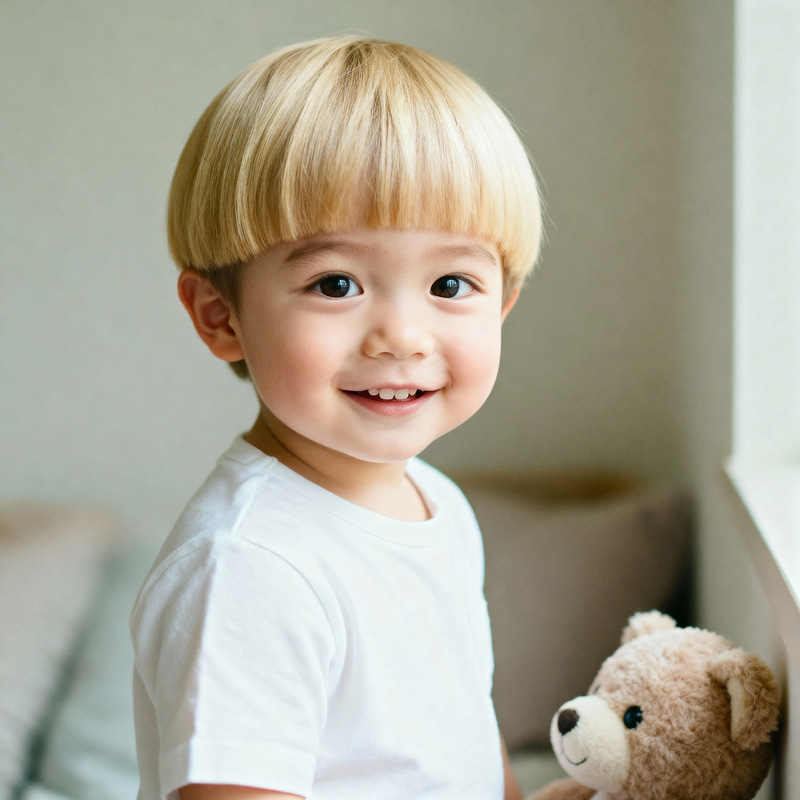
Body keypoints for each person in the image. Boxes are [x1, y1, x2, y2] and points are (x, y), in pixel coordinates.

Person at [130, 35, 542, 800]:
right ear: (222, 318)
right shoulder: (249, 566)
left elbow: (463, 739)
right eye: (336, 284)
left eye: (450, 284)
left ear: (503, 307)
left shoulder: (437, 503)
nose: (401, 337)